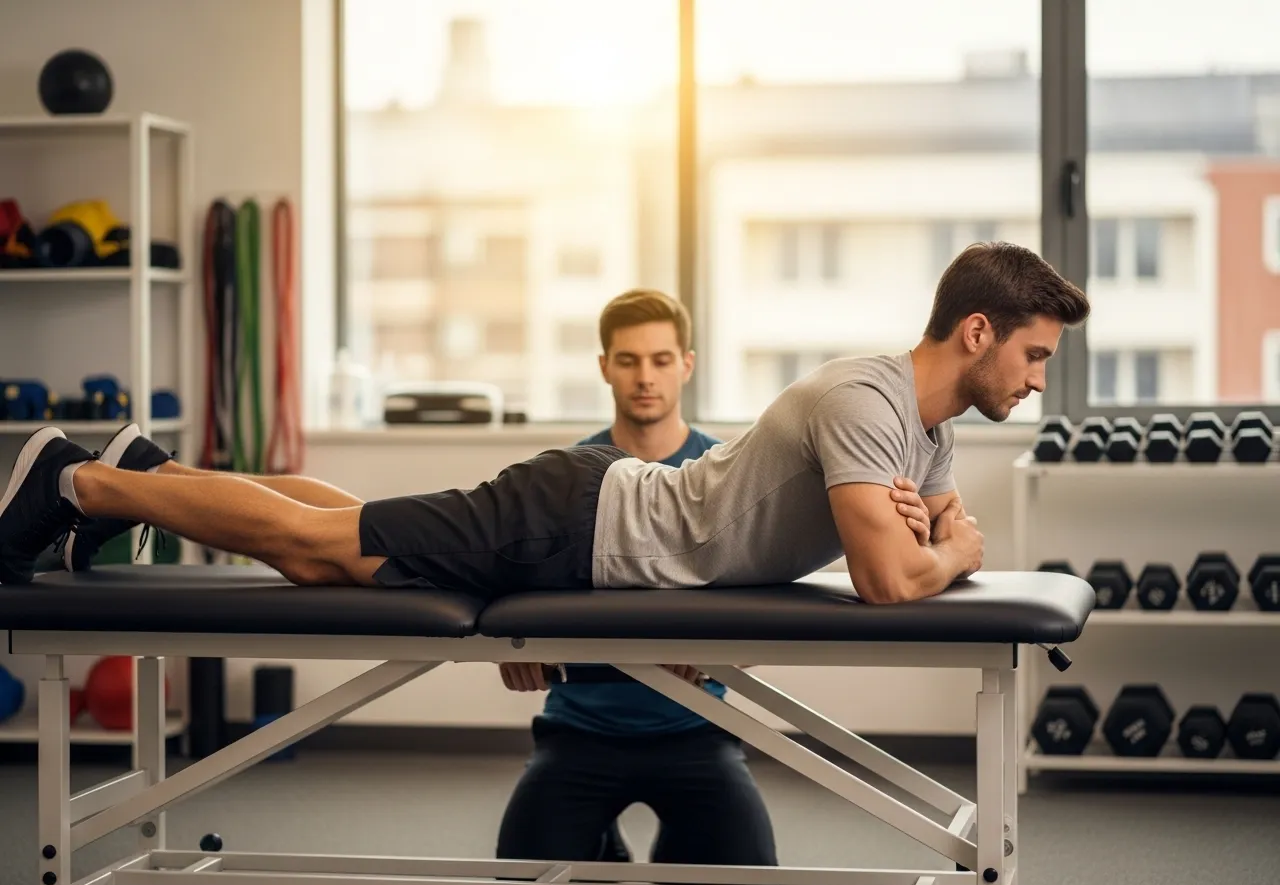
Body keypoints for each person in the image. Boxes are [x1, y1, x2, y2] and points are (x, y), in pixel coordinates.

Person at [0, 241, 1089, 612]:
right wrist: (950, 551)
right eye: (1034, 354)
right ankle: (78, 482)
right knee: (317, 549)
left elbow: (928, 530)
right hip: (578, 522)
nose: (1038, 379)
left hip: (590, 521)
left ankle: (146, 470)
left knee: (352, 535)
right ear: (977, 330)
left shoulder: (926, 429)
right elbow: (891, 575)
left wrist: (938, 538)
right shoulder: (867, 400)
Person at [494, 288, 776, 866]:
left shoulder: (725, 475)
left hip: (697, 727)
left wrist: (717, 653)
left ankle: (674, 849)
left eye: (660, 360)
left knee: (749, 877)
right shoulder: (564, 477)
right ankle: (600, 849)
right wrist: (515, 644)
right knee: (523, 873)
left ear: (686, 365)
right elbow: (520, 587)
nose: (645, 377)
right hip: (579, 729)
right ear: (605, 367)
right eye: (628, 360)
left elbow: (763, 613)